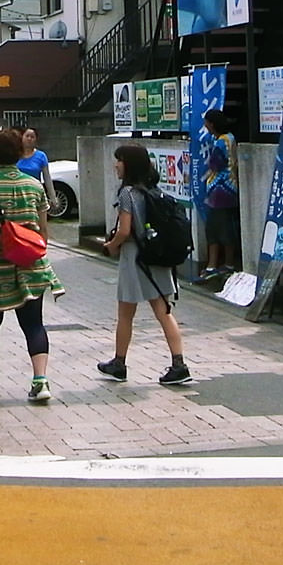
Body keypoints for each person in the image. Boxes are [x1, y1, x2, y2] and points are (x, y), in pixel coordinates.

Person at [0, 128, 59, 402]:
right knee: (34, 324)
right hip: (28, 262)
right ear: (20, 153)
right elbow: (42, 230)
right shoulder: (34, 185)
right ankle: (40, 381)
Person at [98, 144, 193, 386]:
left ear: (128, 164)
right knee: (164, 312)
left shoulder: (127, 193)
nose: (115, 165)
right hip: (157, 257)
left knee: (125, 314)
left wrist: (111, 246)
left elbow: (125, 230)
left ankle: (119, 363)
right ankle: (178, 363)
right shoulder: (152, 190)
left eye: (118, 160)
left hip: (134, 260)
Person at [198, 108, 241, 286]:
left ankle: (214, 266)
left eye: (206, 122)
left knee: (216, 229)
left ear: (212, 124)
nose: (205, 126)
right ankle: (224, 264)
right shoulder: (230, 138)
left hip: (219, 191)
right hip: (230, 188)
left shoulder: (220, 143)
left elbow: (215, 164)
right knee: (226, 227)